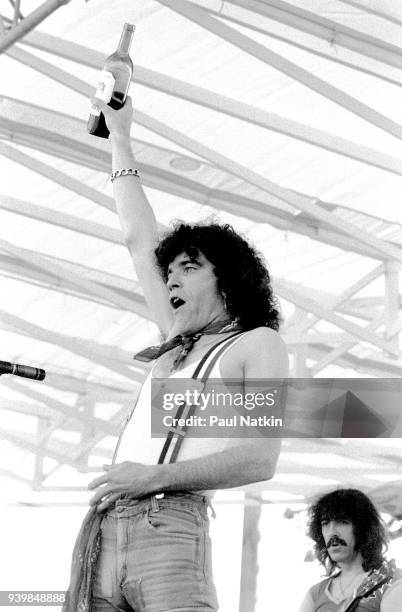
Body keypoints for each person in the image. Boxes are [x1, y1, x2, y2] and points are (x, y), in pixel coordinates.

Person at [64, 95, 288, 612]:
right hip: (104, 529)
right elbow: (137, 237)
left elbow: (261, 457)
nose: (170, 278)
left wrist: (155, 477)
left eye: (188, 267)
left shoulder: (256, 343)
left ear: (229, 280)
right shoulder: (173, 337)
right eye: (169, 273)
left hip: (169, 524)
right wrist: (120, 136)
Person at [300, 488, 402, 612]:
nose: (332, 532)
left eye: (342, 522)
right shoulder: (315, 594)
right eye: (325, 523)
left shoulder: (391, 581)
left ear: (364, 529)